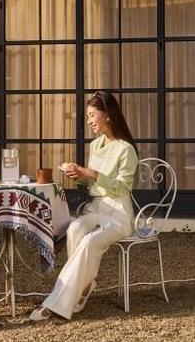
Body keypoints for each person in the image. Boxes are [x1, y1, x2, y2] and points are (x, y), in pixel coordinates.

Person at [30, 91, 139, 321]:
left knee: (90, 241)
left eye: (92, 115)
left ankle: (56, 302)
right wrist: (79, 175)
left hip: (118, 213)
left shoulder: (126, 149)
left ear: (107, 115)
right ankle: (84, 287)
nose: (89, 121)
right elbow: (92, 183)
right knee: (75, 229)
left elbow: (122, 188)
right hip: (97, 208)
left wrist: (92, 173)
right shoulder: (96, 145)